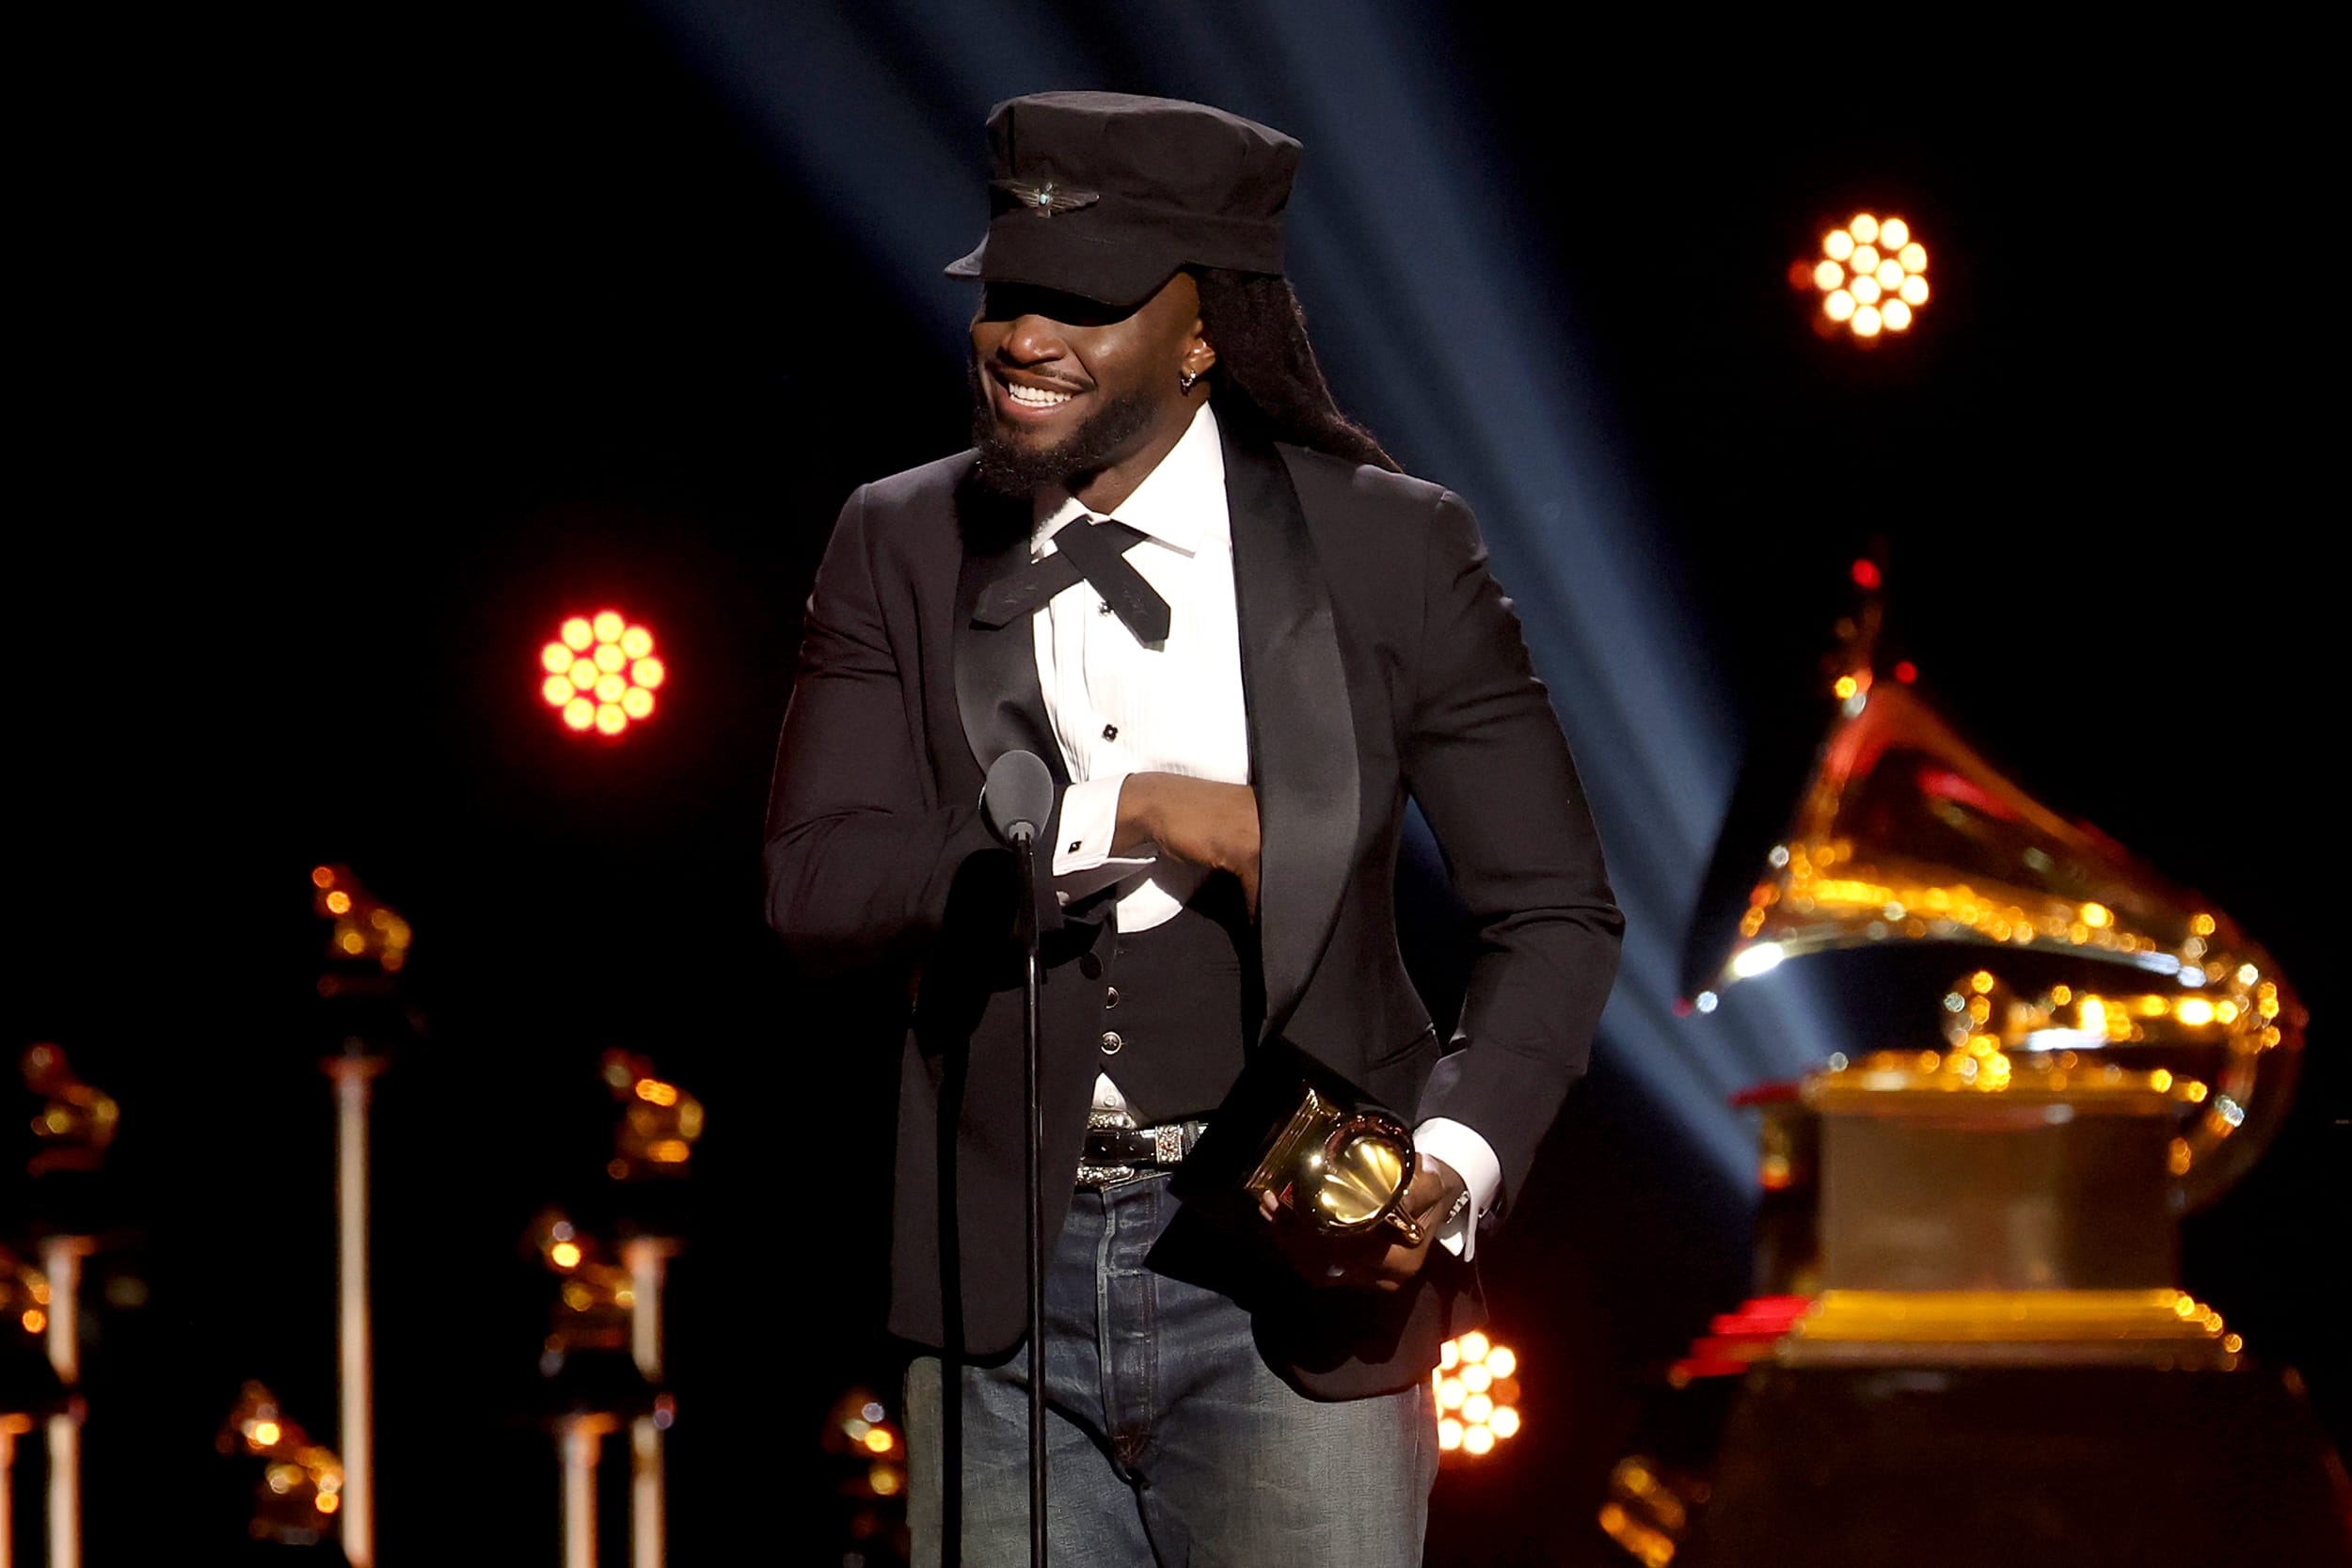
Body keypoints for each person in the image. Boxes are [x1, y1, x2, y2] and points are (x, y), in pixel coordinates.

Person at [765, 90, 1622, 1567]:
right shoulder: (896, 539)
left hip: (1293, 1303)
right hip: (997, 1311)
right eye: (1007, 292)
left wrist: (1452, 1162)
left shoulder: (1390, 543)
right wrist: (1121, 814)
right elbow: (815, 887)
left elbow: (1554, 913)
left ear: (1206, 328)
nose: (1023, 335)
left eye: (1084, 300)